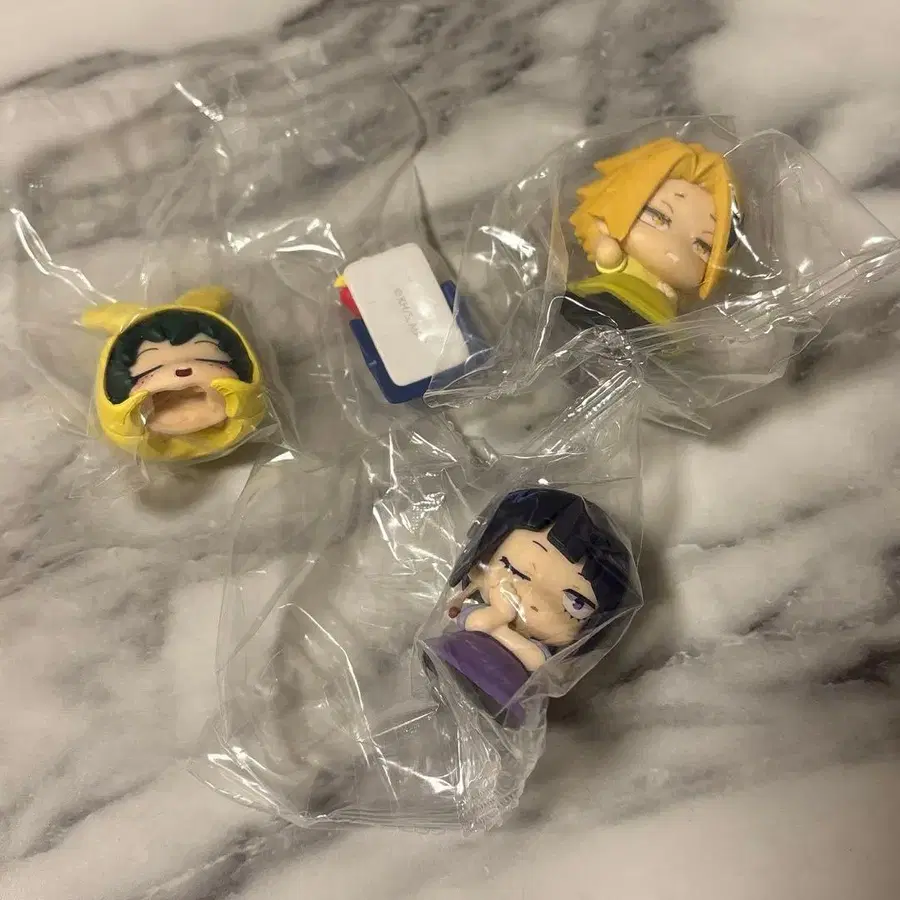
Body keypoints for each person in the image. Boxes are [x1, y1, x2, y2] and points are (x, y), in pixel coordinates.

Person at [563, 137, 739, 330]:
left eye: (702, 247)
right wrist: (605, 244)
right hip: (614, 294)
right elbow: (608, 258)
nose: (675, 251)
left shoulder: (673, 294)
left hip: (655, 318)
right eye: (657, 217)